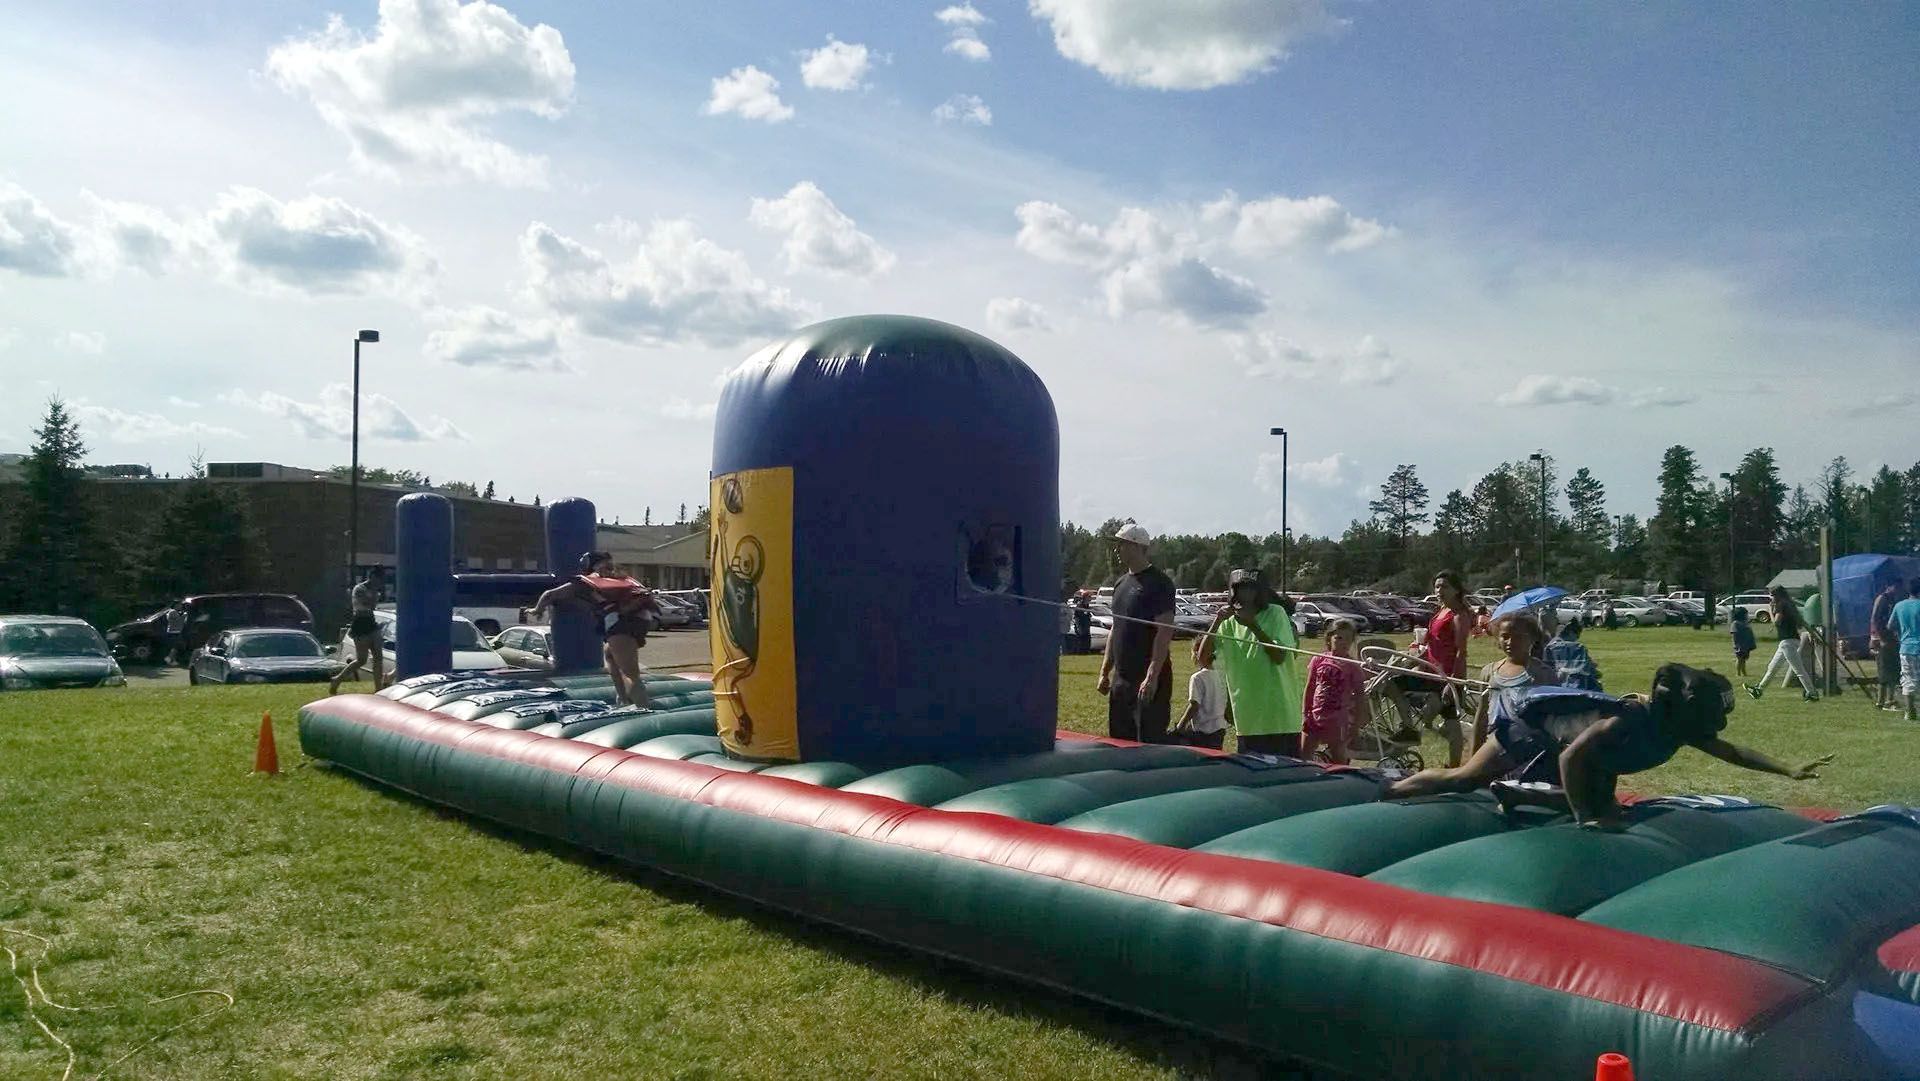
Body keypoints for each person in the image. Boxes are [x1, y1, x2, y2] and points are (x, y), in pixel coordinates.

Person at [1387, 663, 1833, 827]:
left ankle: (1520, 794)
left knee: (1608, 807)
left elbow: (1733, 752)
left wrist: (1787, 769)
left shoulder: (1680, 730)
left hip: (1583, 754)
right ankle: (1390, 793)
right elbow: (1572, 754)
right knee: (1464, 779)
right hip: (1532, 731)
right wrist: (1586, 818)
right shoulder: (1627, 720)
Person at [1196, 569, 1304, 756]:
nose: (1245, 594)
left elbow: (1279, 657)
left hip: (1279, 716)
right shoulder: (1228, 623)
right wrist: (1216, 621)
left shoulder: (1275, 613)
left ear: (1260, 592)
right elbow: (1203, 659)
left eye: (1251, 589)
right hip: (1247, 718)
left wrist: (1252, 625)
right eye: (1240, 589)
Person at [532, 552, 660, 708]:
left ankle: (643, 710)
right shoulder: (624, 578)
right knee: (610, 654)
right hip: (641, 620)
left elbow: (550, 595)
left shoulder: (589, 580)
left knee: (630, 674)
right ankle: (622, 699)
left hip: (620, 623)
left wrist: (537, 609)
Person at [1096, 523, 1176, 743]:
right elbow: (1116, 628)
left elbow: (1164, 632)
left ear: (1137, 546)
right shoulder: (1121, 583)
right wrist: (1105, 672)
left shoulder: (1160, 583)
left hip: (1147, 681)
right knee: (1120, 742)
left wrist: (1152, 676)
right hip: (1121, 681)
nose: (1117, 550)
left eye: (1122, 544)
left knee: (1148, 743)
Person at [1470, 614, 1561, 752]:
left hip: (1528, 750)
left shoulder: (1543, 674)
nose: (1510, 642)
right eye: (1505, 636)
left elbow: (1554, 718)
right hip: (1493, 747)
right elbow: (1482, 715)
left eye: (1518, 637)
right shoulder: (1489, 671)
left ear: (1532, 639)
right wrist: (1474, 751)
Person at [1302, 618, 1367, 764]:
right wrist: (1305, 713)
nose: (1344, 643)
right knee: (1304, 755)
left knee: (1338, 756)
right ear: (1329, 638)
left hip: (1337, 719)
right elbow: (1310, 686)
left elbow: (1360, 696)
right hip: (1315, 715)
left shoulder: (1353, 666)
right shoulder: (1319, 659)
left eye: (1348, 639)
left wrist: (1356, 725)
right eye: (1339, 638)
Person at [1745, 585, 1818, 703]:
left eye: (1772, 595)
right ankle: (1759, 689)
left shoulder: (1780, 605)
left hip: (1787, 641)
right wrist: (1811, 632)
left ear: (1776, 595)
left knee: (1799, 670)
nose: (1771, 598)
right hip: (1790, 640)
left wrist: (1770, 610)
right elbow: (1801, 621)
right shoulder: (1789, 604)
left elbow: (1776, 622)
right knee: (1772, 667)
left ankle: (1812, 693)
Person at [329, 566, 387, 694]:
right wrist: (371, 598)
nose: (379, 582)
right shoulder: (359, 588)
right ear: (371, 576)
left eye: (381, 579)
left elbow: (372, 607)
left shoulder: (376, 591)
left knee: (378, 657)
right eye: (378, 578)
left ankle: (379, 689)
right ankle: (337, 679)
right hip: (360, 624)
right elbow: (361, 607)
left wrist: (373, 598)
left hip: (371, 623)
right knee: (362, 660)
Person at [1173, 639, 1230, 750]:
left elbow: (1194, 705)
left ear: (1196, 654)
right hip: (1219, 728)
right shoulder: (1220, 676)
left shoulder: (1197, 678)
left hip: (1203, 731)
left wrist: (1180, 726)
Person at [1544, 619, 1602, 692]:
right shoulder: (1575, 647)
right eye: (1577, 635)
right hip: (1575, 684)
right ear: (1571, 633)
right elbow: (1590, 670)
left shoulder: (1550, 645)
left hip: (1552, 685)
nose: (1577, 638)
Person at [1891, 579, 1920, 723]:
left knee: (1907, 679)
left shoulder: (1899, 606)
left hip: (1906, 647)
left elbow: (1890, 625)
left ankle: (1910, 712)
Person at [1872, 582, 1903, 712]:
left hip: (1892, 639)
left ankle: (1888, 700)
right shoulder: (1882, 599)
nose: (1897, 589)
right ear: (1888, 586)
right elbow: (1875, 619)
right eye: (1896, 586)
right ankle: (1883, 701)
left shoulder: (1893, 600)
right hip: (1883, 639)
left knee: (1892, 671)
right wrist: (1879, 638)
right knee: (1884, 671)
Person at [1729, 606, 1757, 678]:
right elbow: (1734, 634)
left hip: (1746, 645)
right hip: (1740, 645)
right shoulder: (1735, 623)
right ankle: (1738, 673)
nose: (1746, 615)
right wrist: (1736, 645)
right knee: (1739, 659)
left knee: (1744, 660)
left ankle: (1744, 672)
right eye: (1745, 614)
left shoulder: (1745, 623)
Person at [1073, 591, 1093, 656]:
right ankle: (1080, 652)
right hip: (1081, 625)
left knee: (1087, 638)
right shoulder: (1079, 605)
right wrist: (1078, 627)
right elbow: (1078, 616)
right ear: (1085, 597)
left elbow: (1088, 615)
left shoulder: (1087, 605)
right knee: (1081, 639)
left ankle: (1086, 651)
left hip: (1086, 625)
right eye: (1089, 597)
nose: (1090, 598)